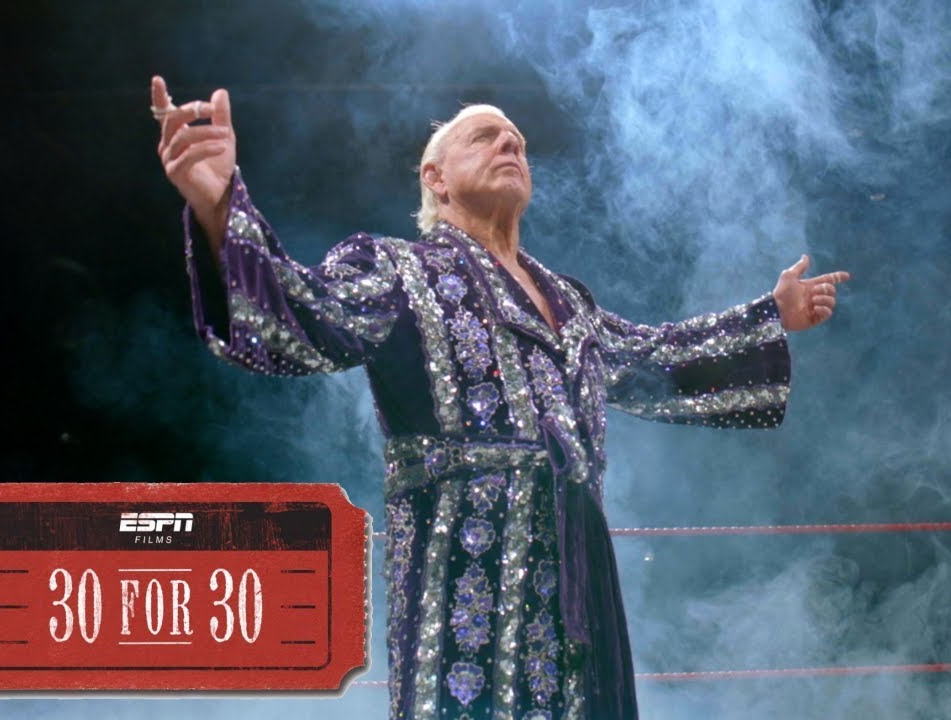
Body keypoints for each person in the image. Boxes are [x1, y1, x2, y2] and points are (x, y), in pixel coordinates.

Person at [151, 76, 850, 720]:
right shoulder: (398, 268)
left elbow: (655, 359)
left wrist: (770, 316)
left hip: (577, 580)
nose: (510, 145)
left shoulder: (570, 303)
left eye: (517, 140)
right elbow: (309, 312)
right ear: (435, 177)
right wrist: (219, 205)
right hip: (465, 573)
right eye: (484, 137)